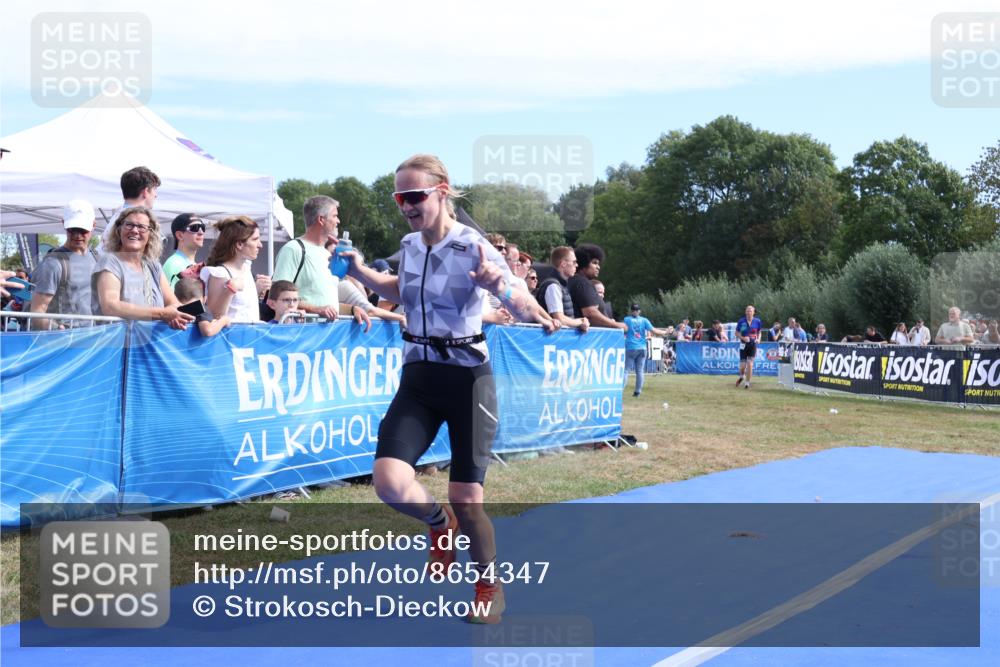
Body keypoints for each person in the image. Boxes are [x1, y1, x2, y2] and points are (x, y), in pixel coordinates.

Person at [343, 154, 556, 625]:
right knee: (389, 484)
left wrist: (502, 290)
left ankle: (489, 585)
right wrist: (360, 272)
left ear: (442, 190)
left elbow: (520, 301)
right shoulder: (410, 244)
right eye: (399, 197)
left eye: (414, 195)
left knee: (469, 498)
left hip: (468, 380)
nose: (405, 205)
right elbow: (402, 288)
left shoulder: (473, 247)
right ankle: (440, 525)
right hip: (419, 377)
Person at [272, 195, 370, 329]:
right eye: (335, 216)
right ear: (321, 219)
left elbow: (326, 304)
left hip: (325, 340)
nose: (338, 221)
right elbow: (276, 297)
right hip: (301, 337)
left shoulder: (327, 254)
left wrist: (352, 309)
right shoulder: (293, 249)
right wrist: (317, 310)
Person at [92, 207, 193, 329]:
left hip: (148, 344)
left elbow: (173, 303)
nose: (135, 230)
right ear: (119, 230)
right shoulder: (110, 262)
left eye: (141, 227)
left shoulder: (153, 266)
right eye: (129, 225)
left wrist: (178, 314)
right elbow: (110, 306)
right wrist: (162, 314)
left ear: (151, 234)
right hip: (118, 345)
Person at [29, 199, 98, 329]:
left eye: (83, 230)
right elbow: (37, 311)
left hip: (94, 340)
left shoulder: (97, 258)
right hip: (64, 341)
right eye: (72, 229)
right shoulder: (53, 263)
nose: (78, 235)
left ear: (93, 225)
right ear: (63, 224)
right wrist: (56, 329)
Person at [200, 217, 264, 323]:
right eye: (255, 239)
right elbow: (214, 316)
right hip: (230, 338)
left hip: (251, 336)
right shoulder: (220, 273)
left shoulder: (247, 267)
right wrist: (230, 290)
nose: (260, 245)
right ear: (239, 244)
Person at [567, 243, 627, 333]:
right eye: (594, 263)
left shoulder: (572, 281)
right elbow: (590, 314)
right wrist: (617, 325)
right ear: (584, 263)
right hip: (587, 341)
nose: (598, 267)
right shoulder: (582, 282)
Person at [100, 166, 161, 251]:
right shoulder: (139, 221)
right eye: (154, 190)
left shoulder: (117, 218)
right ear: (146, 192)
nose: (156, 195)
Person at [623, 303, 669, 397]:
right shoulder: (644, 320)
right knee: (639, 371)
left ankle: (620, 391)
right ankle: (637, 392)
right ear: (639, 311)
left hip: (631, 347)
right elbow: (655, 331)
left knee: (626, 370)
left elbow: (622, 330)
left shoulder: (626, 319)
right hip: (642, 348)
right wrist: (666, 332)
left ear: (631, 310)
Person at [539, 246, 589, 332]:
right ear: (563, 264)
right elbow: (560, 319)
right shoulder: (553, 286)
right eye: (574, 262)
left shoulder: (560, 285)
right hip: (551, 341)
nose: (576, 265)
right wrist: (580, 321)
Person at [162, 213, 206, 287]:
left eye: (203, 227)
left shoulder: (192, 264)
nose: (201, 232)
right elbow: (172, 298)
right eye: (194, 228)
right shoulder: (173, 264)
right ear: (180, 235)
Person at [735, 304, 762, 389]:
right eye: (747, 310)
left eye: (750, 311)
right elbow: (736, 333)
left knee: (750, 364)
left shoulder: (757, 321)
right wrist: (743, 337)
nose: (748, 312)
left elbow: (759, 332)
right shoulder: (741, 321)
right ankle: (741, 376)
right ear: (745, 312)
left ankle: (747, 383)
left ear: (753, 312)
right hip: (743, 345)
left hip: (753, 345)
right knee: (743, 366)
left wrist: (759, 339)